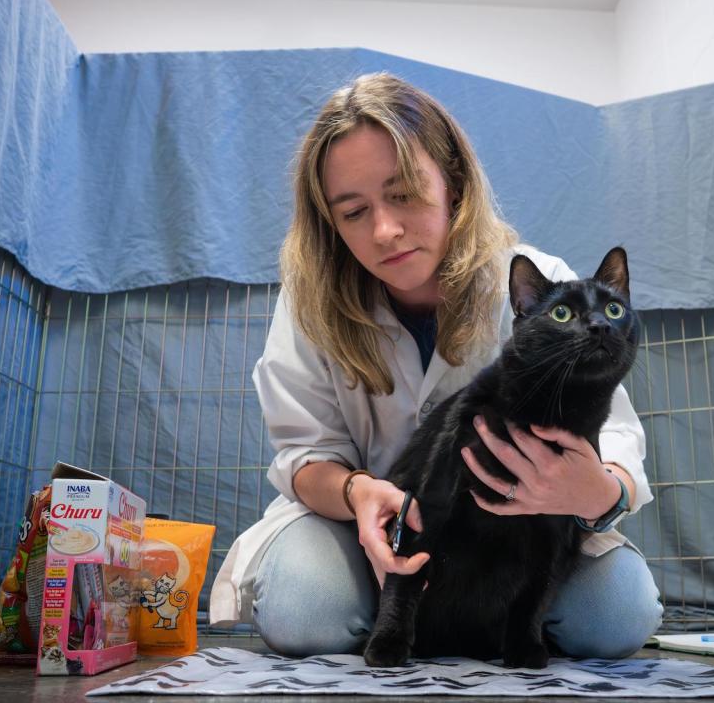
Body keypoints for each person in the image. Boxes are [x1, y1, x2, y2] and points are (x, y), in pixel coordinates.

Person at [208, 72, 661, 658]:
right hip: (362, 526)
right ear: (329, 223)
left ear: (453, 181)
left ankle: (465, 617)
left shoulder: (536, 283)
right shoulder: (309, 303)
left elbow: (617, 438)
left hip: (525, 534)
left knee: (616, 619)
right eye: (352, 212)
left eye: (403, 193)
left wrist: (598, 492)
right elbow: (304, 456)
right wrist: (357, 493)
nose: (385, 231)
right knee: (305, 612)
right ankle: (401, 612)